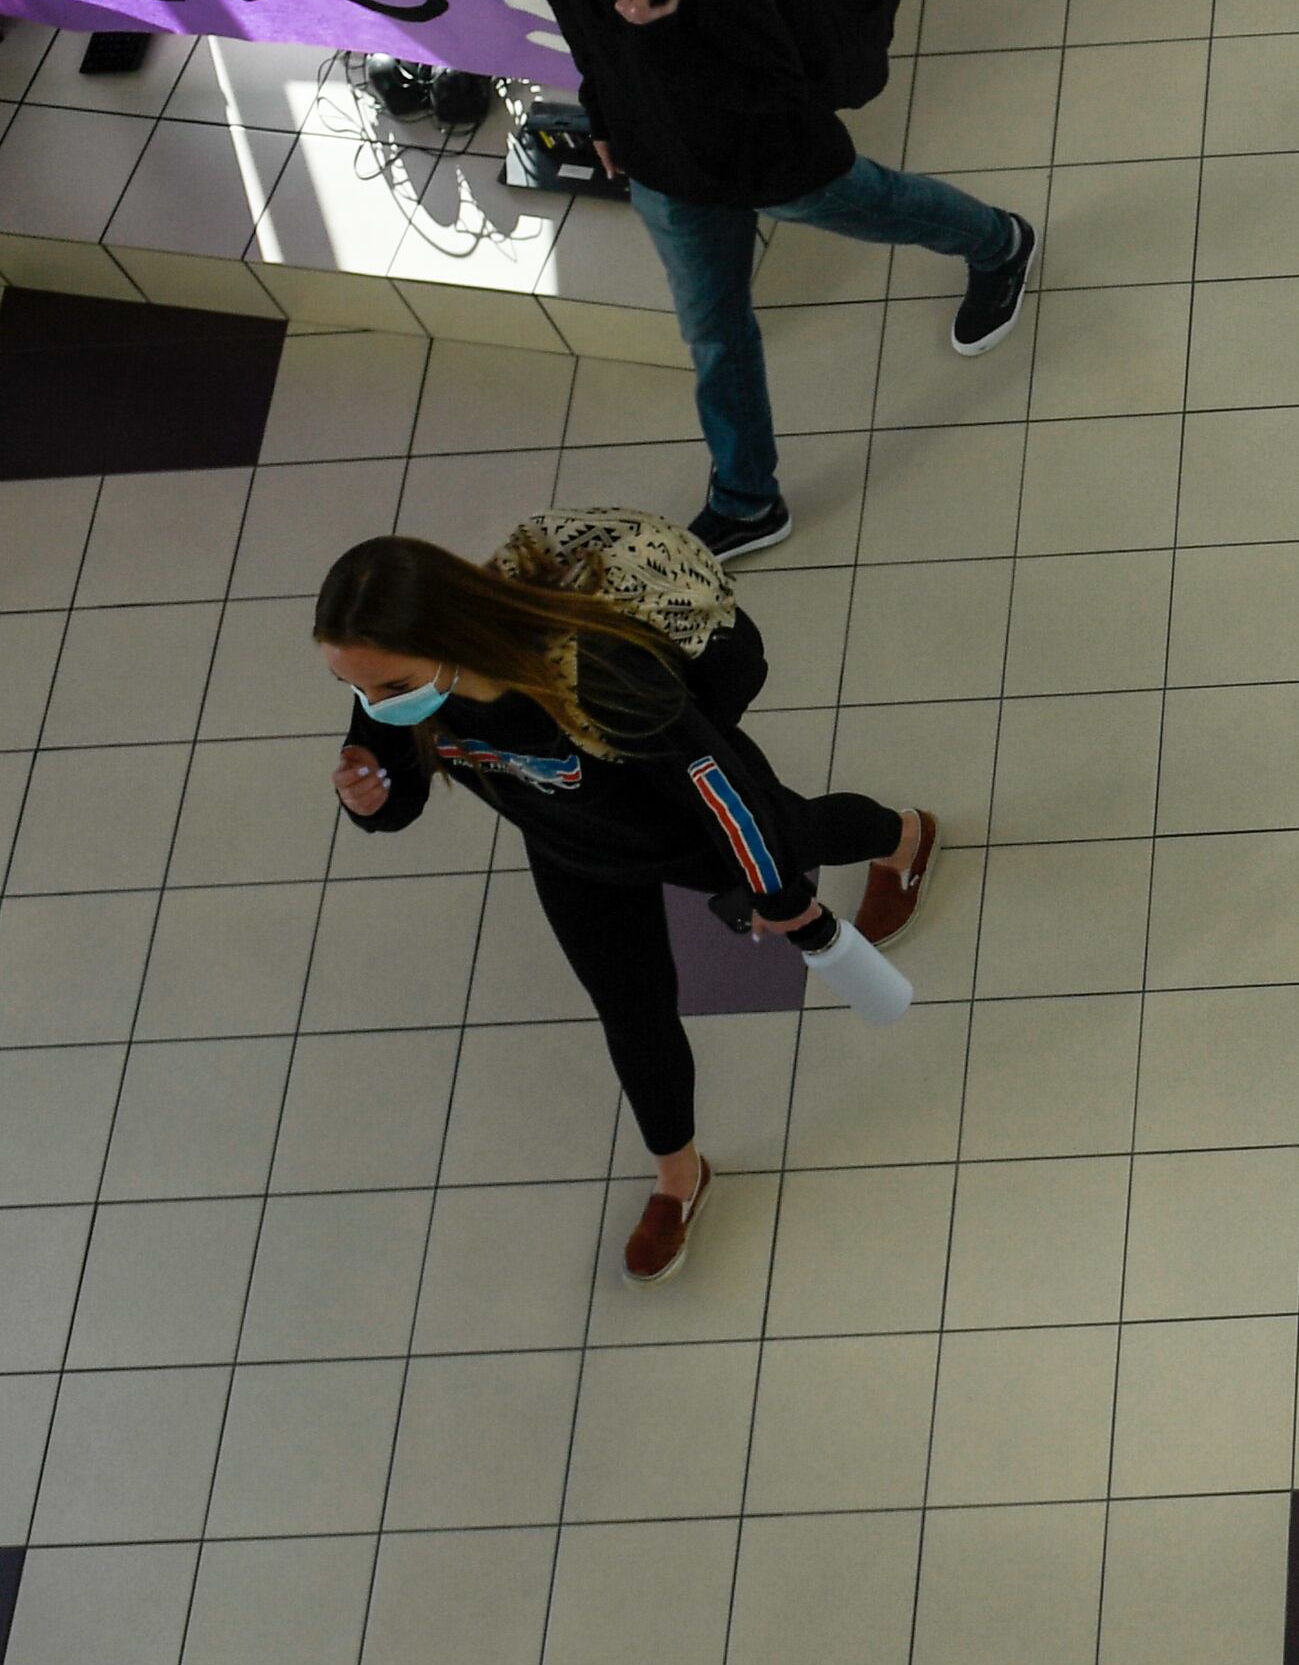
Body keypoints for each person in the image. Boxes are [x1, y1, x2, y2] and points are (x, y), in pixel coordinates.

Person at [411, 0, 1034, 561]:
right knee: (714, 331)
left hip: (769, 153)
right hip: (665, 162)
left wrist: (662, 41)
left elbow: (776, 83)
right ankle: (747, 500)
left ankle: (1001, 242)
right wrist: (606, 112)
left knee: (881, 205)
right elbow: (587, 31)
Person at [315, 523, 940, 1283]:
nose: (371, 706)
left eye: (384, 687)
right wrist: (367, 795)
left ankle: (903, 837)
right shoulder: (398, 689)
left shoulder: (593, 670)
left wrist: (778, 896)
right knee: (632, 1011)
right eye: (353, 688)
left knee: (801, 831)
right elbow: (396, 790)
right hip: (573, 855)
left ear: (452, 635)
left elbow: (721, 792)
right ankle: (679, 1174)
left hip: (690, 829)